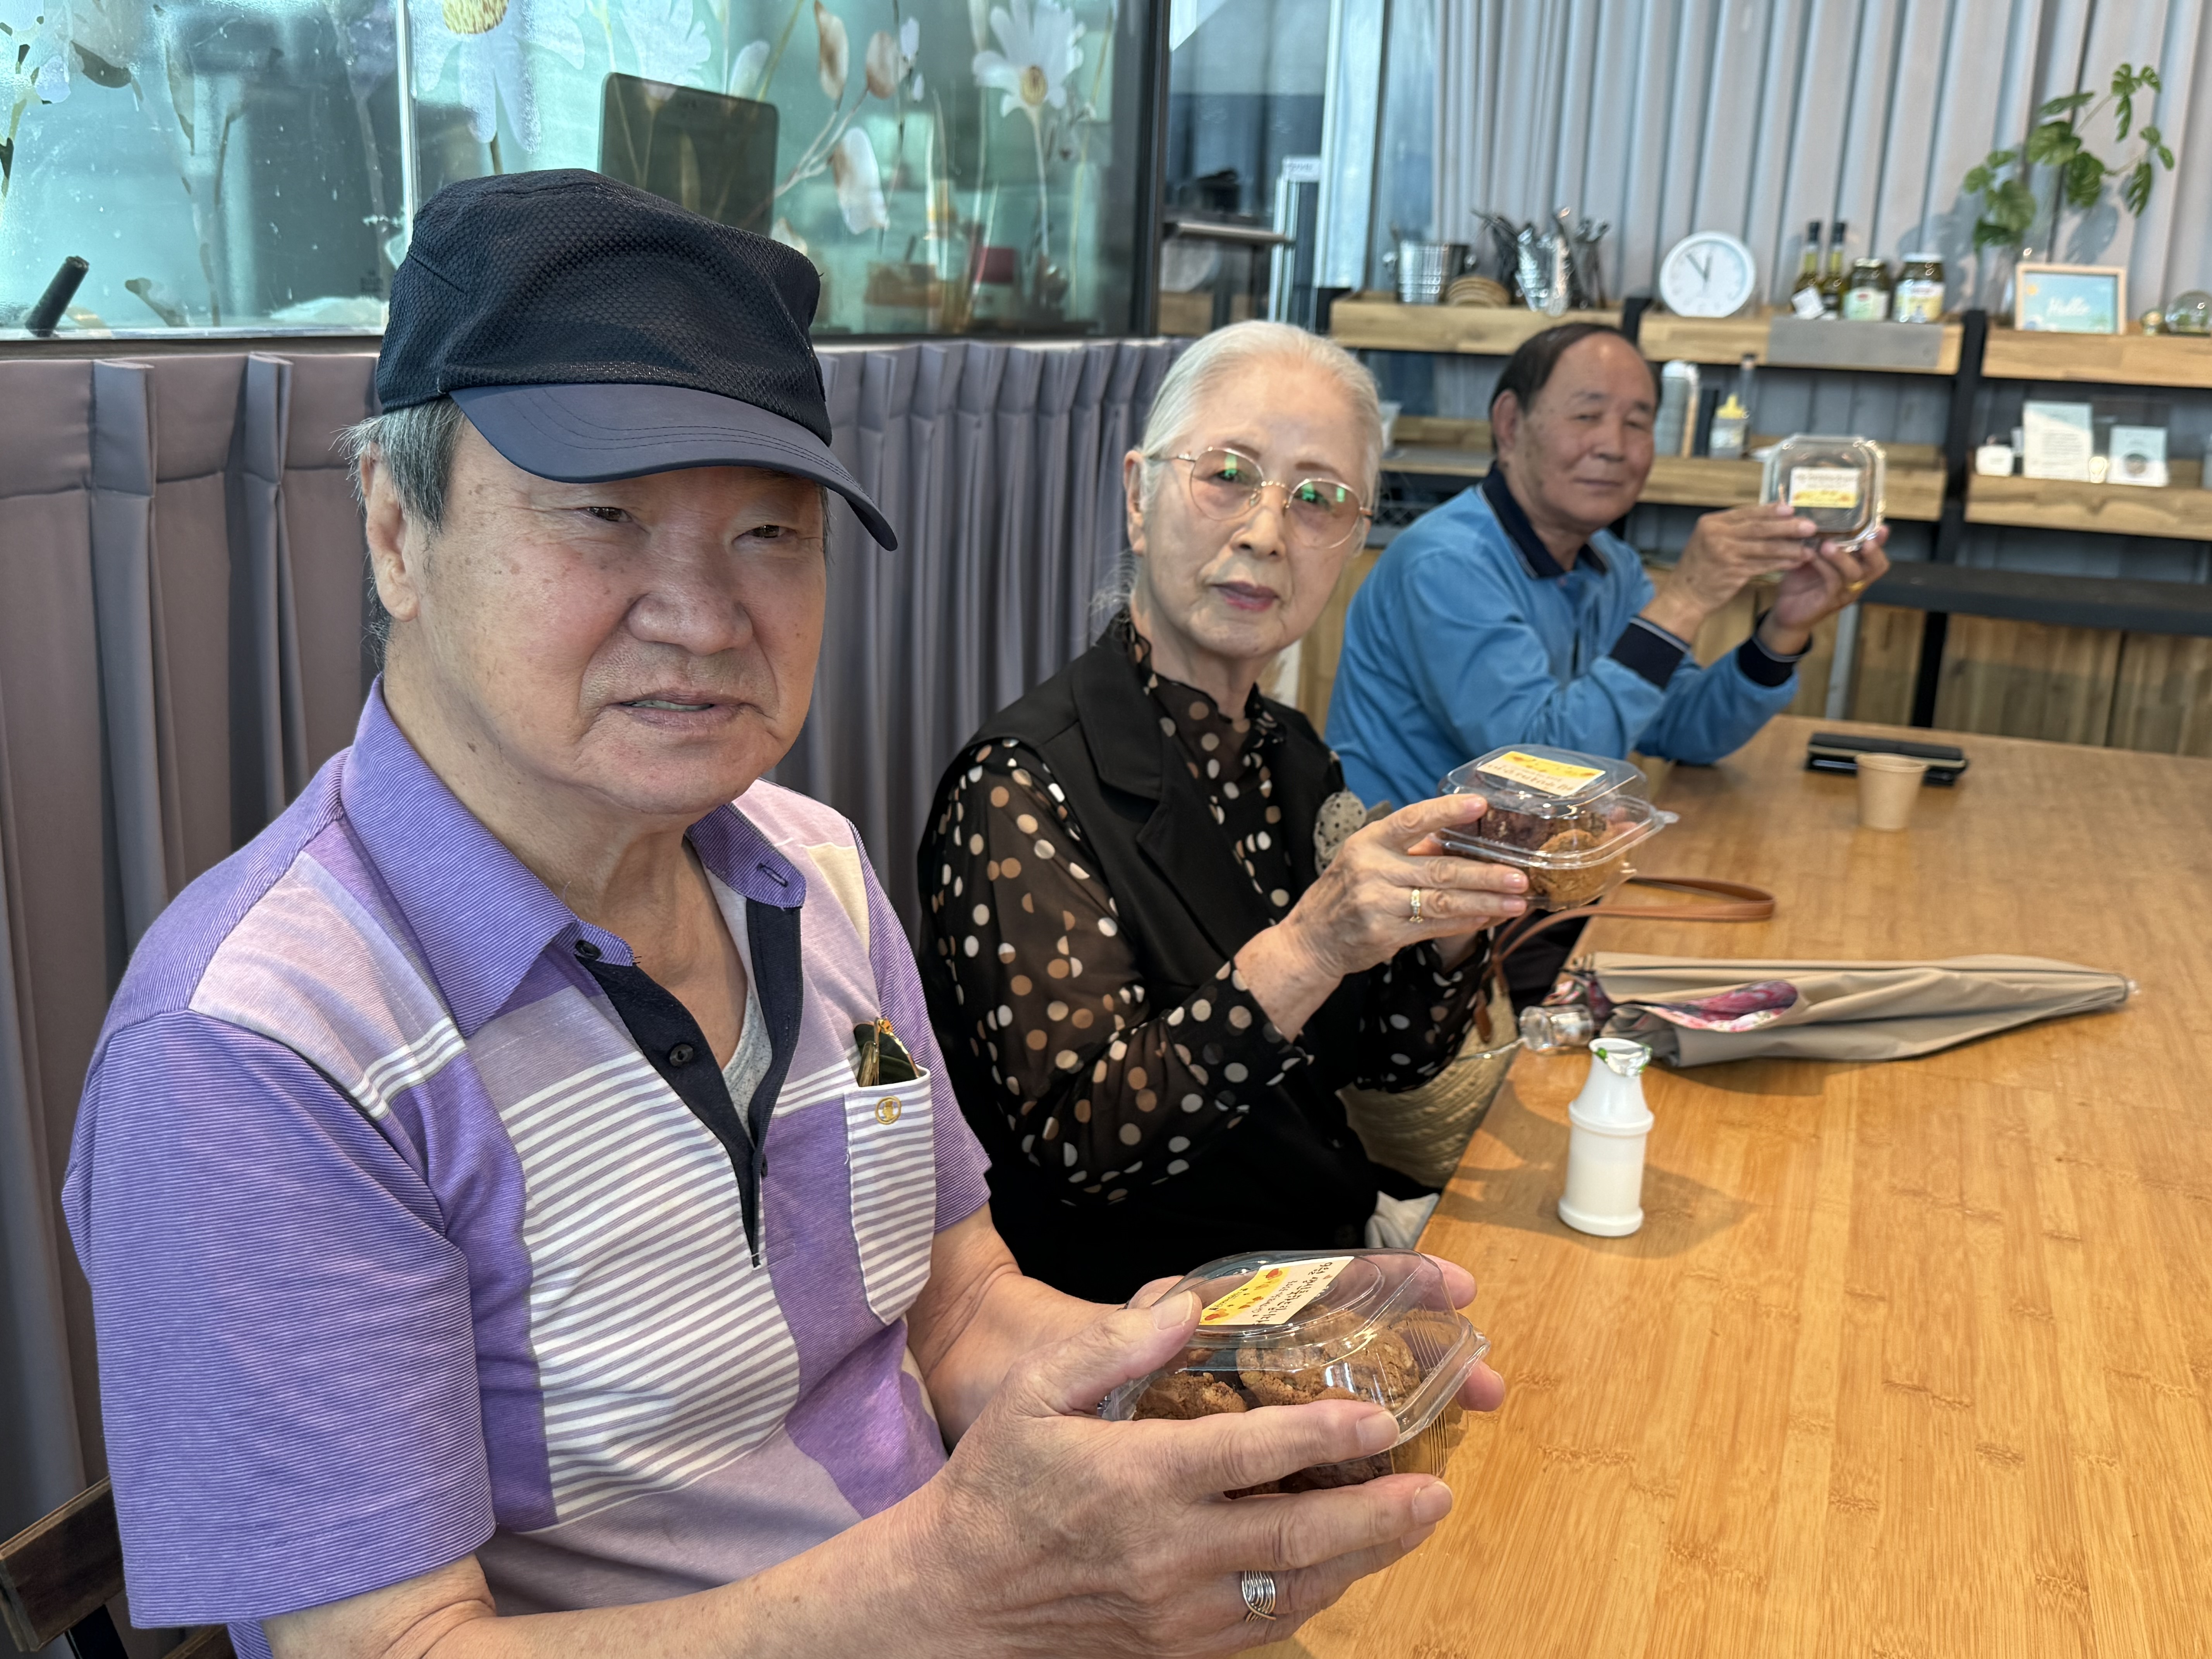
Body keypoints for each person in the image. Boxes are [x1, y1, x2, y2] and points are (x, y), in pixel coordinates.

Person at [60, 174, 1503, 1659]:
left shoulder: (813, 870)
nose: (702, 615)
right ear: (392, 529)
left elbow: (955, 1308)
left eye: (769, 531)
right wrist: (955, 1588)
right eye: (604, 515)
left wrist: (1223, 1370)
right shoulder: (256, 1047)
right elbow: (390, 1648)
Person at [915, 322, 1532, 1304]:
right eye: (1229, 476)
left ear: (1352, 541)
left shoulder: (1293, 755)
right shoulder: (1017, 787)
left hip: (1314, 1272)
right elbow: (1084, 1147)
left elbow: (1388, 1058)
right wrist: (1313, 945)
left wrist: (1457, 909)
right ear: (1138, 496)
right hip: (1138, 1319)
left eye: (1318, 499)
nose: (1266, 533)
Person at [1326, 321, 1891, 811]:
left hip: (1526, 871)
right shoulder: (1445, 564)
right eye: (1587, 415)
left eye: (1638, 424)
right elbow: (1542, 775)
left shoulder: (1610, 563)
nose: (1614, 446)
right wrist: (1684, 601)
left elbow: (1681, 729)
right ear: (1511, 425)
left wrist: (1783, 631)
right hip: (1415, 881)